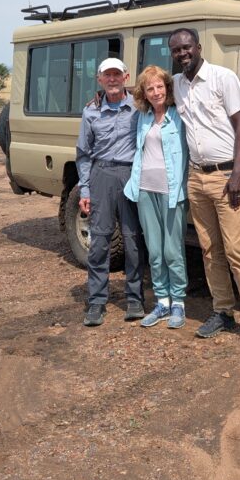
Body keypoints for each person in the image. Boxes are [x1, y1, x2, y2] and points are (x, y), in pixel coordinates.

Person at [168, 28, 240, 348]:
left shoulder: (223, 78)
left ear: (198, 47)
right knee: (210, 250)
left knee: (236, 249)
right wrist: (104, 95)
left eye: (186, 47)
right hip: (196, 178)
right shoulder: (177, 84)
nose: (182, 54)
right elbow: (146, 90)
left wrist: (238, 173)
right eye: (176, 50)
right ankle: (222, 311)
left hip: (226, 177)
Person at [75, 57, 146, 326]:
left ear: (126, 77)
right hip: (101, 174)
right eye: (108, 75)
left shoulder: (139, 107)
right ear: (100, 79)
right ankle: (96, 301)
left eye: (117, 74)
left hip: (130, 175)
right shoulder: (90, 112)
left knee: (133, 241)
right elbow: (83, 154)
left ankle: (135, 299)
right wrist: (85, 189)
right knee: (100, 241)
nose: (113, 79)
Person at [122, 65, 189, 329]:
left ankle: (178, 303)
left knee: (173, 250)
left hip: (172, 192)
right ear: (144, 93)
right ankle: (162, 302)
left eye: (160, 86)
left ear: (167, 89)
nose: (156, 92)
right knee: (155, 250)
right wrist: (99, 94)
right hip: (145, 190)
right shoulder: (143, 116)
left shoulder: (179, 115)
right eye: (150, 88)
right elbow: (119, 92)